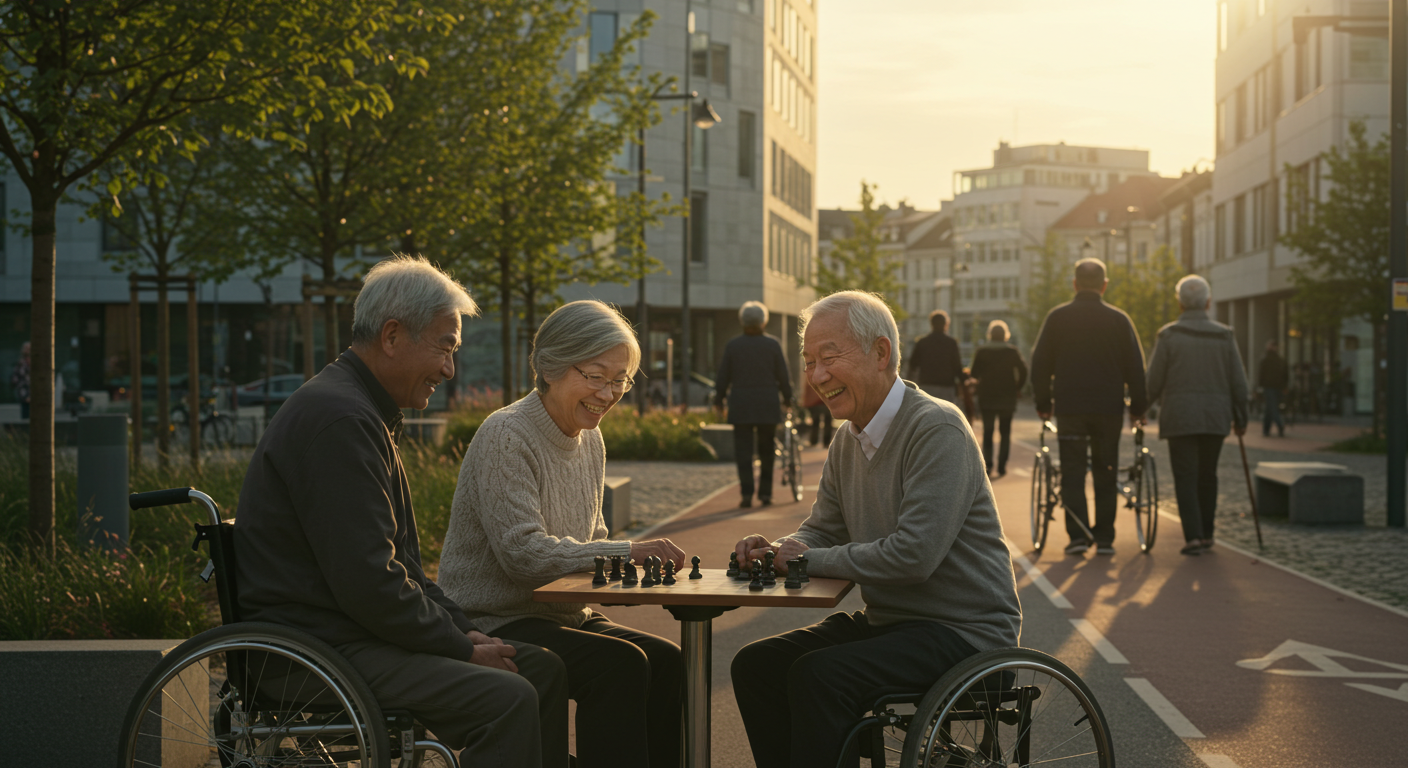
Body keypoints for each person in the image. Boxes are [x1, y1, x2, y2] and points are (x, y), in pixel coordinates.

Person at [233, 256, 569, 767]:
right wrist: (462, 648)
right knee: (508, 697)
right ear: (392, 336)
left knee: (537, 668)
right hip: (316, 651)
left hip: (344, 633)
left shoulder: (359, 409)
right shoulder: (342, 420)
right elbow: (370, 582)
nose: (450, 369)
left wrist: (464, 633)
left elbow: (403, 568)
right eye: (445, 347)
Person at [730, 290, 1021, 768]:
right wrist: (778, 548)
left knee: (818, 675)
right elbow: (822, 530)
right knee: (756, 665)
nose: (817, 376)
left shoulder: (937, 428)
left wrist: (803, 558)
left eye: (829, 357)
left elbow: (914, 556)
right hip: (892, 625)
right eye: (808, 362)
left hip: (965, 634)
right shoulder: (849, 439)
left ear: (881, 353)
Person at [439, 300, 685, 768]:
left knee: (669, 660)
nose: (609, 394)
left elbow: (591, 536)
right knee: (621, 666)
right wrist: (627, 552)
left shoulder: (591, 438)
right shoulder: (507, 435)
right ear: (549, 367)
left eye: (621, 380)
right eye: (596, 375)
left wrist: (633, 577)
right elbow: (524, 556)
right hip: (495, 617)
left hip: (564, 613)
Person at [1030, 257, 1147, 557]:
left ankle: (1078, 535)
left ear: (1075, 284)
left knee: (1073, 471)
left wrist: (1044, 402)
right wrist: (1138, 406)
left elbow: (1040, 363)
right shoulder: (1119, 320)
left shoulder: (1058, 318)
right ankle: (1105, 537)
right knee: (1105, 470)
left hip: (1070, 407)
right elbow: (1135, 367)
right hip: (1108, 408)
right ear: (1104, 285)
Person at [1146, 276, 1249, 555]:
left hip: (1180, 416)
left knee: (1185, 476)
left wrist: (1140, 408)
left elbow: (1153, 381)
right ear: (1208, 302)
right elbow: (1238, 380)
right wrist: (1242, 415)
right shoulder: (1224, 334)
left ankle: (1193, 535)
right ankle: (1208, 533)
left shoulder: (1168, 335)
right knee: (1208, 475)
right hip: (1215, 416)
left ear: (1180, 304)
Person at [713, 301, 794, 507]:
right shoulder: (773, 344)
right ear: (763, 322)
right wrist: (788, 398)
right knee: (767, 451)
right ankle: (765, 493)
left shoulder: (733, 346)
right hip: (767, 403)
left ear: (742, 321)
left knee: (743, 452)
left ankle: (746, 494)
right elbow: (783, 375)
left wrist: (719, 400)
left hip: (741, 404)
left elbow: (723, 376)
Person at [969, 319, 1028, 478]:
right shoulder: (1012, 351)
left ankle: (988, 465)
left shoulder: (982, 352)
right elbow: (1023, 370)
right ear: (1005, 335)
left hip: (987, 396)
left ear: (990, 335)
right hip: (1007, 396)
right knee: (1005, 432)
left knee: (988, 431)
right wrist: (1018, 388)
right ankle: (1002, 466)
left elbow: (974, 374)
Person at [906, 309, 966, 403]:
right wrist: (963, 383)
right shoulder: (951, 343)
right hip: (947, 387)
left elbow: (913, 365)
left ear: (931, 324)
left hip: (926, 386)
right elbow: (957, 367)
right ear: (946, 324)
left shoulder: (922, 342)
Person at [1259, 340, 1288, 437]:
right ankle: (1266, 429)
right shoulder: (1279, 360)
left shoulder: (1267, 359)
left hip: (1270, 387)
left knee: (1271, 408)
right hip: (1275, 387)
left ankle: (1279, 425)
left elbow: (1261, 374)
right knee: (1270, 408)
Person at [801, 373, 833, 447]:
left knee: (816, 421)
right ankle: (826, 442)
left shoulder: (811, 371)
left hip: (815, 400)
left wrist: (805, 401)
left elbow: (807, 387)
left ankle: (814, 441)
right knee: (827, 420)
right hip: (826, 398)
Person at [10, 342, 30, 420]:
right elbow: (15, 378)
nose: (27, 351)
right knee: (26, 414)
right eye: (26, 349)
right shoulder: (21, 363)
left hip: (36, 392)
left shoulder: (37, 363)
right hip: (24, 392)